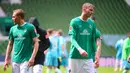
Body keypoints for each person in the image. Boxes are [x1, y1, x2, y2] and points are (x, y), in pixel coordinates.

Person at [3, 9, 39, 73]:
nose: (12, 18)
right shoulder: (12, 29)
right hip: (15, 60)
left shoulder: (30, 27)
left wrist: (32, 57)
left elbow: (36, 42)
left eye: (14, 17)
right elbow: (10, 44)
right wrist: (6, 59)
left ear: (19, 17)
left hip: (26, 60)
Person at [68, 3, 98, 73]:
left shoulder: (92, 23)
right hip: (75, 56)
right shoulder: (74, 22)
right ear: (84, 9)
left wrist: (96, 53)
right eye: (90, 10)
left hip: (88, 57)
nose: (92, 12)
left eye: (93, 11)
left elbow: (92, 40)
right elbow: (72, 39)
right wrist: (80, 49)